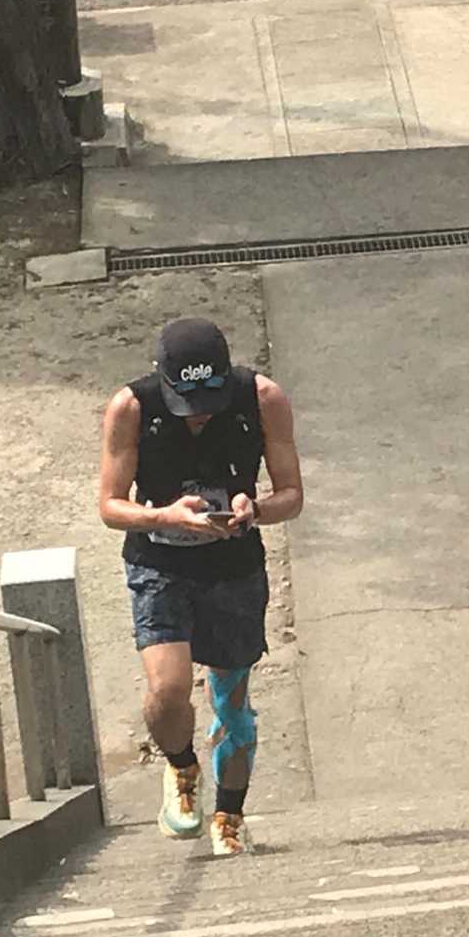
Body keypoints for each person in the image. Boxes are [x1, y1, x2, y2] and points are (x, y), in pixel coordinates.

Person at [99, 318, 304, 855]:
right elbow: (110, 505)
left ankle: (229, 818)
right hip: (160, 563)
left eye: (210, 402)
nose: (201, 415)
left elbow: (292, 494)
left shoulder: (263, 399)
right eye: (187, 405)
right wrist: (163, 516)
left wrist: (255, 509)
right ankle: (181, 765)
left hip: (233, 566)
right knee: (167, 690)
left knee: (233, 706)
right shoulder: (131, 407)